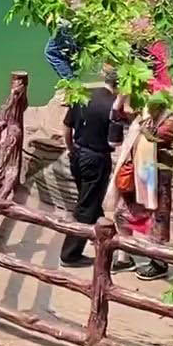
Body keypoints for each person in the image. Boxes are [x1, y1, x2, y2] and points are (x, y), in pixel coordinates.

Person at [111, 95, 173, 280]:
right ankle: (124, 257)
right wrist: (122, 99)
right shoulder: (147, 117)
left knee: (157, 220)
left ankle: (159, 262)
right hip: (138, 177)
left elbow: (153, 136)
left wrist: (141, 119)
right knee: (121, 213)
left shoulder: (171, 123)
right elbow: (118, 115)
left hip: (158, 181)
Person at [58, 83, 119, 266]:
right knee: (86, 205)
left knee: (89, 199)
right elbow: (114, 142)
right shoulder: (112, 105)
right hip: (96, 158)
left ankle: (99, 234)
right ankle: (70, 254)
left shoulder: (81, 94)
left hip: (78, 154)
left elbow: (67, 126)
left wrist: (71, 149)